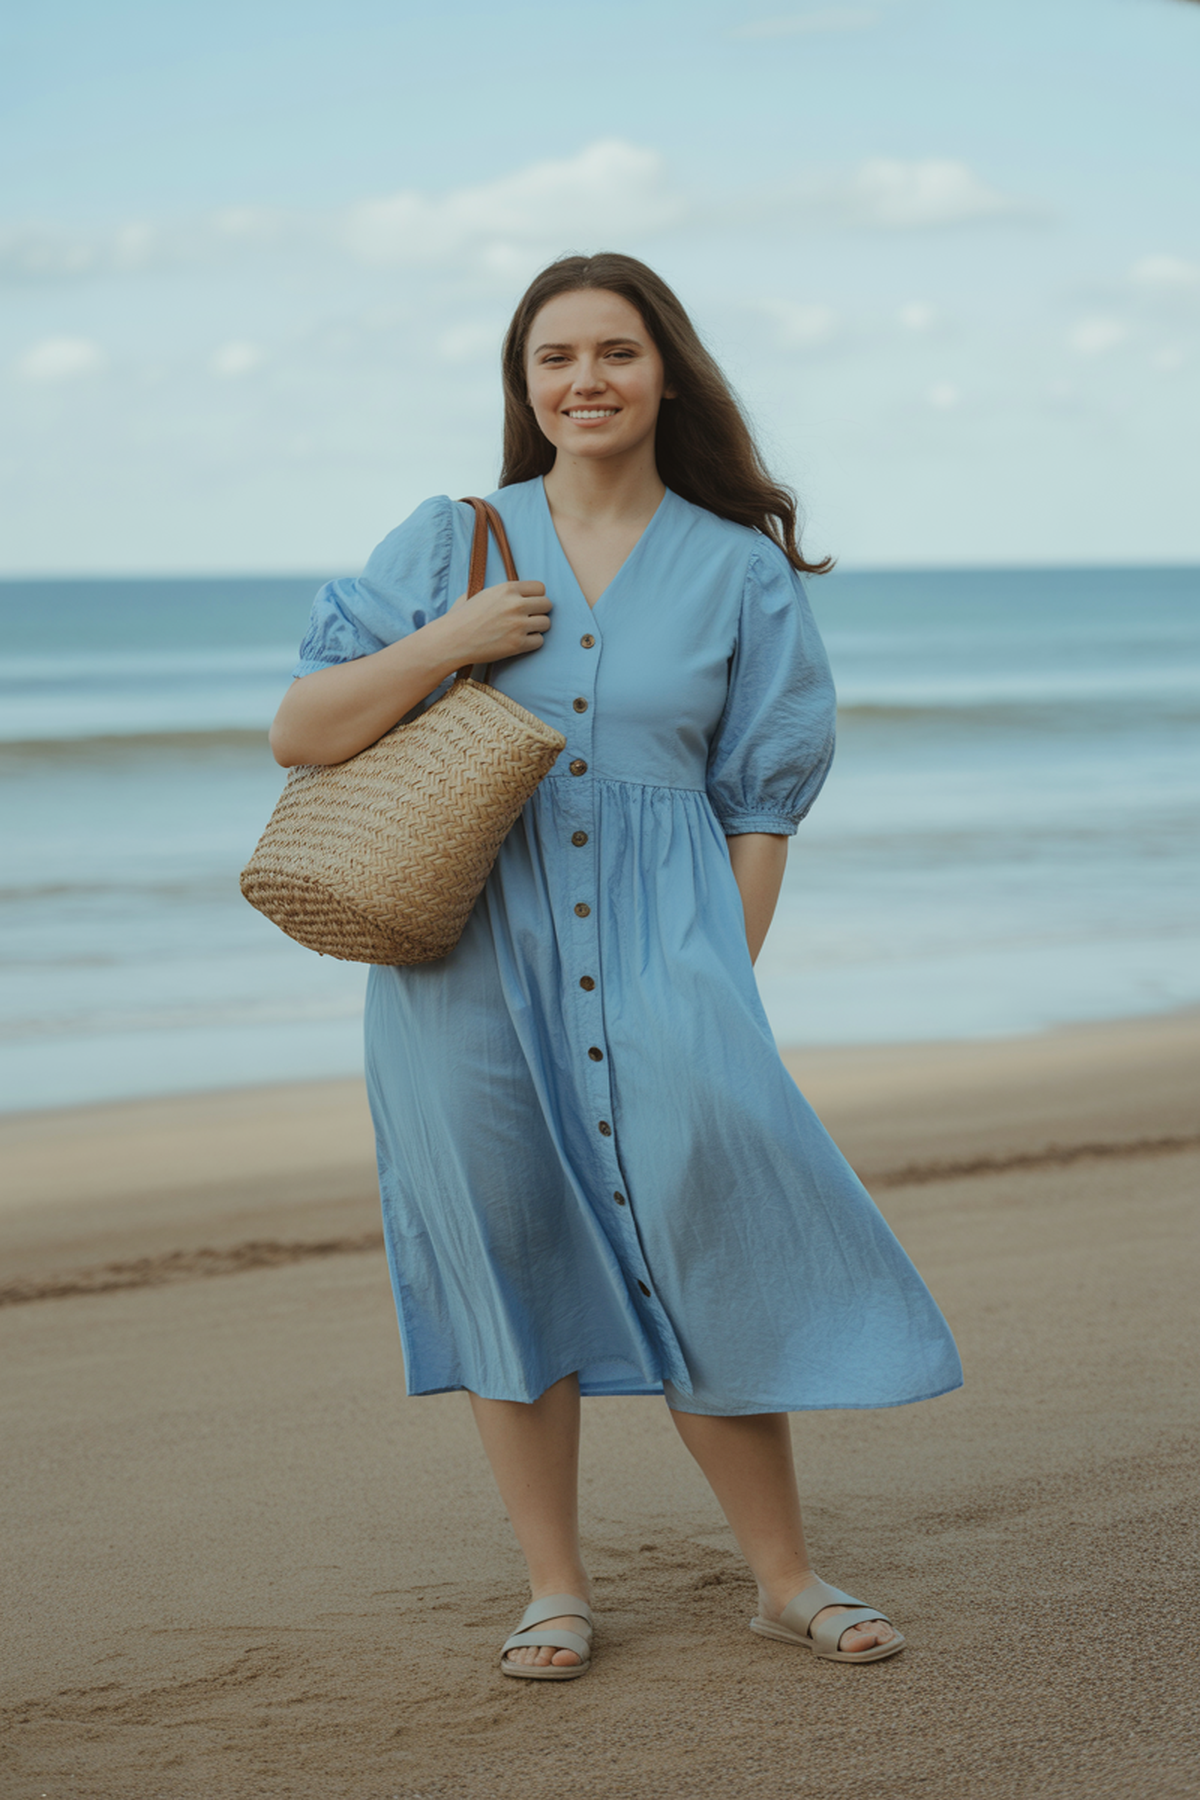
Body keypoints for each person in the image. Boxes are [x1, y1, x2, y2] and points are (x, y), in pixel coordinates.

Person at [270, 252, 962, 1680]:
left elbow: (762, 801)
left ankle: (783, 1576)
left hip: (670, 962)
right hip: (460, 964)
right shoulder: (451, 541)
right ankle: (554, 1589)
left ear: (667, 374)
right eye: (554, 359)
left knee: (705, 1238)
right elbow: (302, 729)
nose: (584, 380)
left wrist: (724, 979)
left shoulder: (739, 567)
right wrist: (454, 642)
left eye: (616, 353)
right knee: (510, 1255)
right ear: (524, 388)